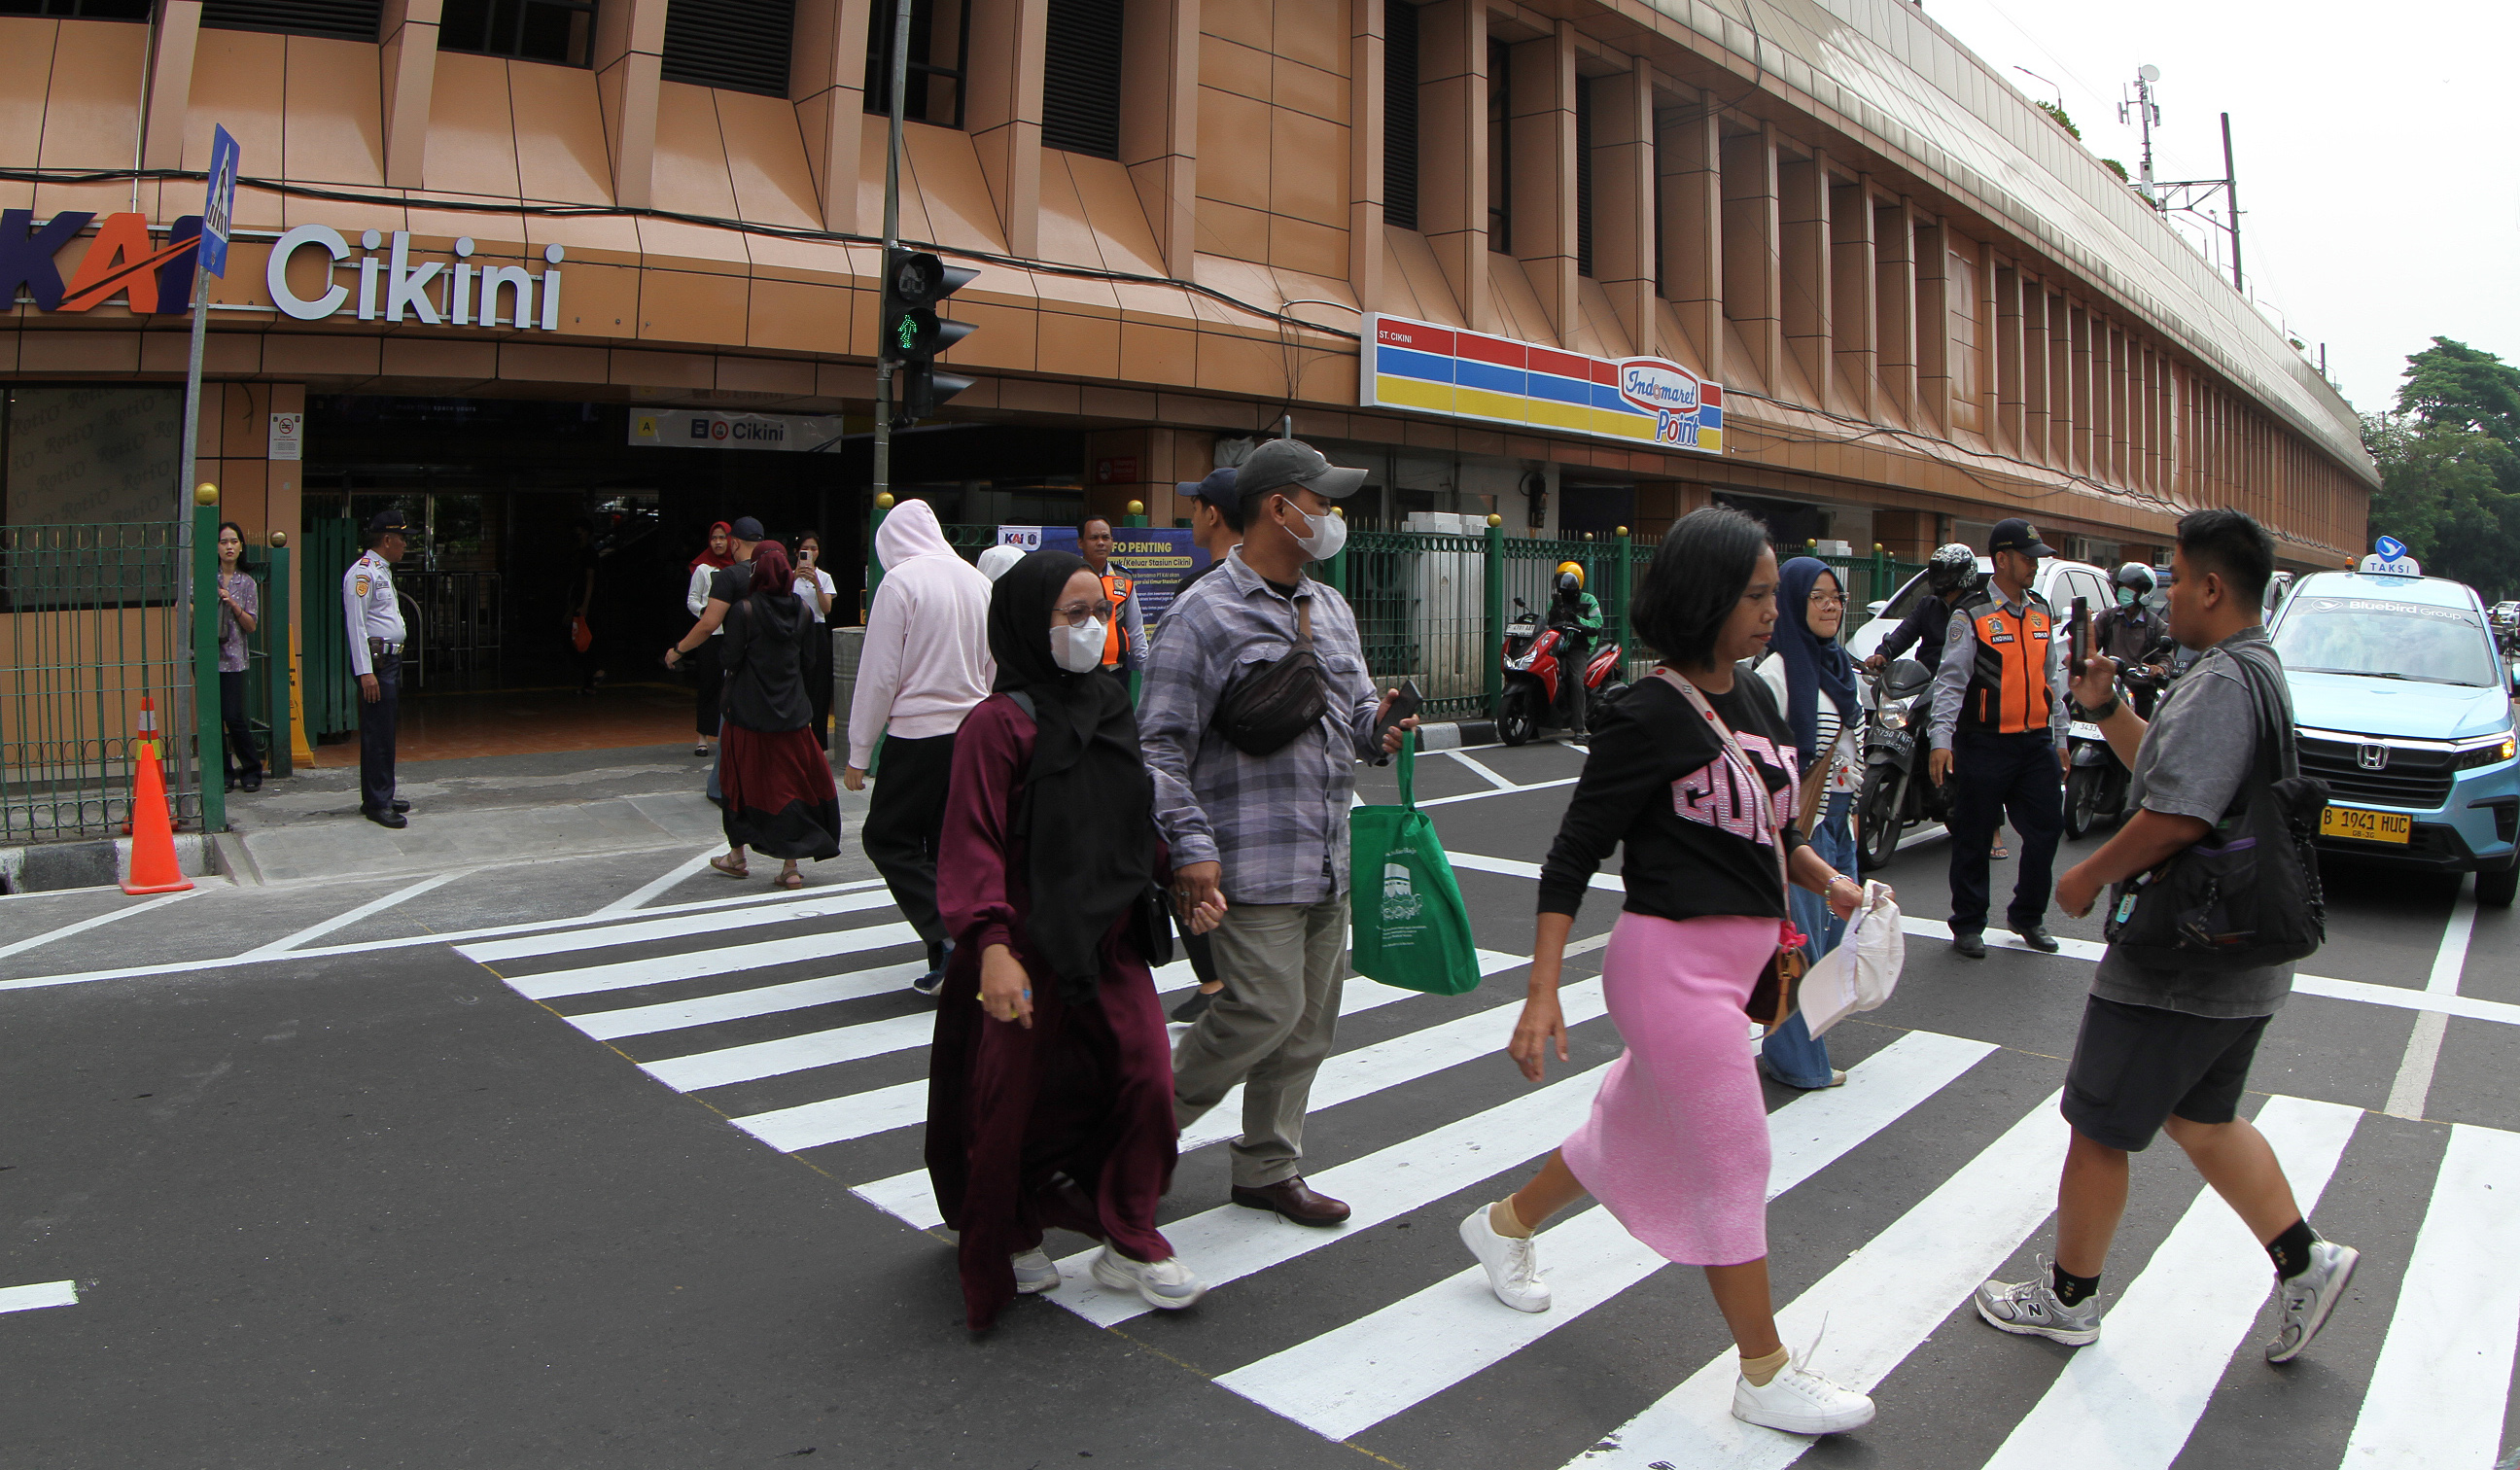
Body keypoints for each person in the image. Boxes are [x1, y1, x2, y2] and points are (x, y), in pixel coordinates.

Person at [1463, 508, 1881, 1437]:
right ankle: (1764, 1371)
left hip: (1739, 965)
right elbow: (1570, 855)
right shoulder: (1644, 712)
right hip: (1667, 969)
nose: (1773, 610)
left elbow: (1776, 827)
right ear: (1705, 598)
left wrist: (1826, 883)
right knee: (1737, 1155)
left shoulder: (1759, 699)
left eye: (1776, 593)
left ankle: (1500, 1228)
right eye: (1757, 594)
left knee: (1623, 1132)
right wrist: (1539, 995)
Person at [1977, 508, 2359, 1365]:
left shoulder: (2223, 680)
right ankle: (2306, 1262)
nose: (2172, 591)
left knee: (2099, 1125)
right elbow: (2176, 773)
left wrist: (2087, 874)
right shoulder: (2250, 669)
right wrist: (2107, 706)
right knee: (2202, 1119)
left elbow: (2179, 814)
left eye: (2180, 578)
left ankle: (2068, 1299)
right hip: (2238, 957)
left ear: (2214, 588)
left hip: (2180, 957)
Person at [926, 549, 1223, 1330]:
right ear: (1030, 621)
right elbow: (972, 841)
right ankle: (1014, 1228)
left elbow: (1125, 811)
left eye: (1101, 612)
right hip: (1023, 948)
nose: (1092, 627)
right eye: (1073, 613)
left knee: (1145, 1083)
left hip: (1109, 936)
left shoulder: (1110, 702)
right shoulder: (995, 725)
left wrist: (1177, 876)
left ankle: (1129, 1236)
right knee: (1011, 1100)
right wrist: (989, 943)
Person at [1140, 438, 1416, 1227]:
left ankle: (1268, 1165)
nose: (1330, 518)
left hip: (1327, 851)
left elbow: (1355, 717)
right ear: (1279, 507)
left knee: (1307, 1026)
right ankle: (1139, 1138)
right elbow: (1157, 743)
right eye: (1321, 502)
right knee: (1261, 1008)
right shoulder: (1203, 612)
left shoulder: (1329, 607)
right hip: (1248, 858)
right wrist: (1190, 849)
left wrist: (1382, 728)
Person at [846, 499, 996, 996]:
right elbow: (994, 662)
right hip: (971, 732)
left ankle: (952, 937)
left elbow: (879, 674)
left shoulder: (902, 582)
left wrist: (859, 751)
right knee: (942, 845)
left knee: (887, 839)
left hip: (917, 737)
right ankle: (949, 957)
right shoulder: (978, 581)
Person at [1927, 518, 2069, 959]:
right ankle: (1968, 923)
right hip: (1984, 744)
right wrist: (1940, 739)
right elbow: (1951, 682)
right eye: (2027, 558)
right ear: (2003, 559)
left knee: (2046, 830)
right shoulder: (1971, 614)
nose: (2033, 566)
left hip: (2034, 744)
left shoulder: (2042, 611)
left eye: (2036, 559)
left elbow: (2052, 682)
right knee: (1972, 836)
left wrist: (2060, 737)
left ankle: (2028, 916)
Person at [1750, 557, 1861, 1091]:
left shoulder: (1842, 669)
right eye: (1816, 597)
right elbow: (1760, 763)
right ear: (1794, 602)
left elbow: (1848, 750)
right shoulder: (1775, 674)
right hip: (1801, 828)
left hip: (1838, 819)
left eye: (1836, 597)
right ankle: (1797, 1060)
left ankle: (1783, 1043)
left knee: (1837, 938)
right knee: (1805, 946)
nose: (1829, 606)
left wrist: (1854, 811)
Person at [704, 541, 842, 889]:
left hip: (747, 715)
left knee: (738, 781)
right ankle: (790, 866)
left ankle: (737, 855)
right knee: (789, 786)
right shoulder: (803, 612)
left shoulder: (744, 610)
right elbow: (808, 662)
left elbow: (730, 658)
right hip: (792, 716)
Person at [1165, 467, 1245, 1025]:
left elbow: (1166, 721)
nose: (1190, 514)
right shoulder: (1295, 594)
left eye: (1195, 506)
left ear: (1213, 514)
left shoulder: (1195, 596)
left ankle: (1216, 981)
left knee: (1189, 877)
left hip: (1206, 776)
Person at [343, 510, 412, 829]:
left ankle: (379, 793)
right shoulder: (363, 573)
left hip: (388, 662)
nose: (404, 545)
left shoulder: (381, 571)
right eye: (402, 539)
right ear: (387, 540)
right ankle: (378, 802)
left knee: (383, 732)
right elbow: (356, 626)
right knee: (377, 734)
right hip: (377, 665)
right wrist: (365, 672)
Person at [1864, 542, 1978, 672]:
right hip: (1925, 681)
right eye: (1935, 573)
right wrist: (1883, 653)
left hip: (1961, 680)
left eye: (1945, 574)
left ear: (1963, 575)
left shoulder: (1976, 608)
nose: (1938, 579)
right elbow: (1905, 633)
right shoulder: (1928, 605)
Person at [212, 521, 264, 793]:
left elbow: (252, 625)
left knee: (233, 716)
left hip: (233, 659)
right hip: (208, 657)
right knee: (213, 716)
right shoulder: (206, 578)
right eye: (223, 542)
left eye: (233, 541)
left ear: (241, 546)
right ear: (217, 547)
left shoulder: (247, 583)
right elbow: (183, 606)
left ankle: (251, 769)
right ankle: (223, 773)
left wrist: (232, 603)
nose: (229, 546)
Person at [684, 521, 736, 756]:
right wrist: (706, 613)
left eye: (722, 538)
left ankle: (729, 738)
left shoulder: (737, 569)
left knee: (732, 686)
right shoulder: (703, 569)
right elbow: (692, 599)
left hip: (733, 635)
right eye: (714, 538)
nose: (718, 542)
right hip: (710, 635)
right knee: (707, 684)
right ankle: (702, 738)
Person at [2093, 563, 2171, 718]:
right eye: (2122, 586)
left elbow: (2166, 659)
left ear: (2145, 591)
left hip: (2140, 690)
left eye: (2130, 587)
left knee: (2147, 728)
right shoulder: (2107, 618)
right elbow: (2089, 648)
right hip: (2110, 686)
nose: (2124, 591)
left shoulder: (2156, 625)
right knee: (2073, 703)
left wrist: (2159, 669)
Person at [1076, 516, 1149, 675]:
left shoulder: (1123, 578)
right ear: (1080, 542)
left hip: (1116, 672)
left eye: (1105, 537)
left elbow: (1135, 629)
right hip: (1081, 673)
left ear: (1112, 541)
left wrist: (1146, 670)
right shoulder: (1070, 577)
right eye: (1094, 538)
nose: (1101, 542)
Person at [792, 530, 838, 749]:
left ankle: (818, 741)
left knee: (819, 686)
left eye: (814, 549)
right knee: (795, 682)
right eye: (805, 548)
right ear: (796, 551)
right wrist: (794, 576)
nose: (810, 552)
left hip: (817, 630)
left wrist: (816, 582)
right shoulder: (787, 576)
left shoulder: (825, 577)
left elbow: (826, 608)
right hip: (793, 631)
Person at [1549, 561, 1604, 737]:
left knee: (1575, 680)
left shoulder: (1589, 601)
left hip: (1579, 646)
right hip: (1558, 645)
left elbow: (1597, 625)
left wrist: (1576, 621)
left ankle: (1578, 729)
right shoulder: (1557, 602)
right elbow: (1548, 623)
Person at [566, 518, 602, 696]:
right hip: (578, 602)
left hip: (585, 604)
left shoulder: (589, 553)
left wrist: (585, 604)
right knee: (578, 641)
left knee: (584, 641)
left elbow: (590, 579)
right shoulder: (579, 552)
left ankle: (593, 675)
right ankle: (591, 676)